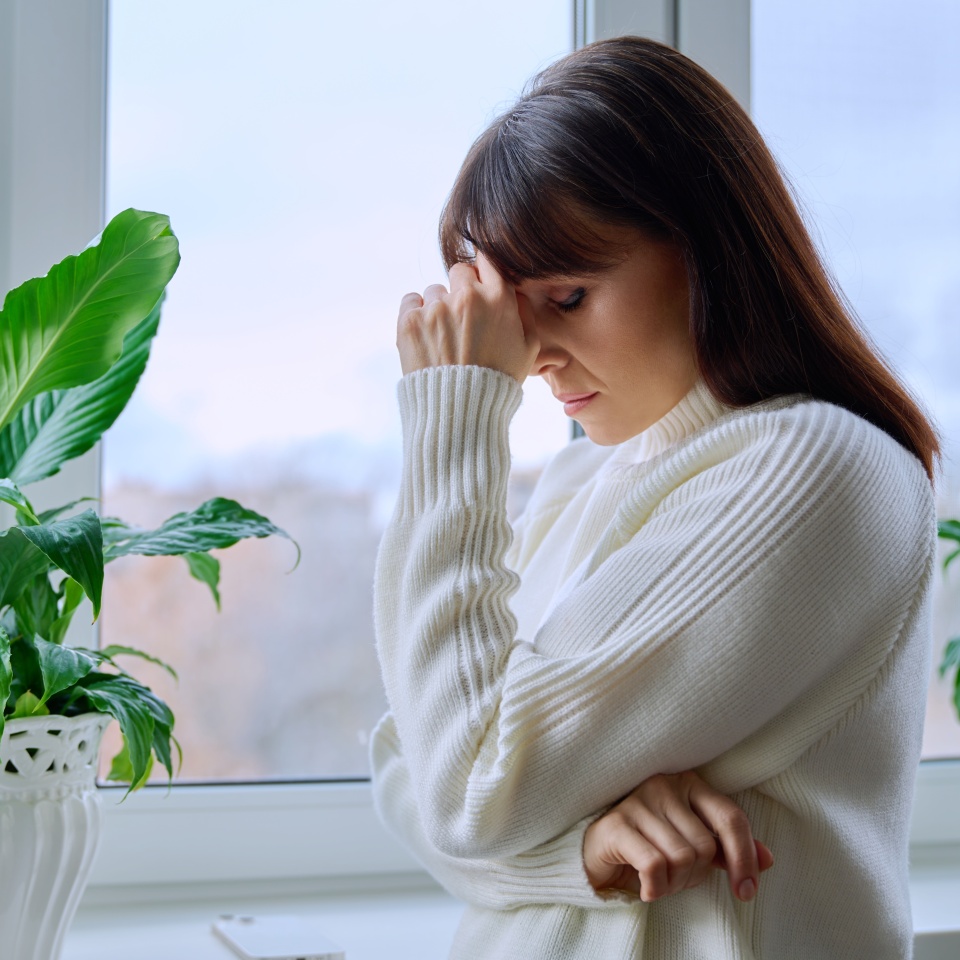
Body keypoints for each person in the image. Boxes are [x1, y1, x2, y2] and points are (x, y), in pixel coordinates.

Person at [369, 36, 939, 960]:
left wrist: (454, 422)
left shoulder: (815, 468)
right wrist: (579, 852)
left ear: (707, 249)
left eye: (568, 295)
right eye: (515, 314)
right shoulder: (582, 478)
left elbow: (467, 793)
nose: (534, 357)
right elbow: (409, 771)